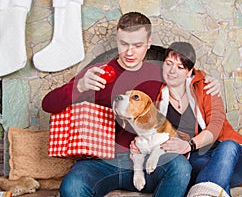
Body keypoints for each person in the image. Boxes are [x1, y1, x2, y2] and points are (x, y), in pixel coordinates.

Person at [42, 12, 220, 197]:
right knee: (72, 186)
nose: (129, 52)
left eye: (137, 45)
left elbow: (190, 77)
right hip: (102, 163)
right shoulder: (97, 74)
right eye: (124, 44)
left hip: (146, 160)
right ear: (117, 39)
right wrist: (80, 86)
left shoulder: (160, 74)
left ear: (149, 43)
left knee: (180, 168)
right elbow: (48, 104)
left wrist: (211, 82)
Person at [152, 42, 242, 196]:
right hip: (198, 161)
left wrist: (189, 145)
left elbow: (215, 126)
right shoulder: (158, 94)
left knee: (228, 147)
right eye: (169, 64)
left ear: (189, 72)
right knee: (212, 178)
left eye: (180, 67)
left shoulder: (207, 87)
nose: (172, 71)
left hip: (233, 158)